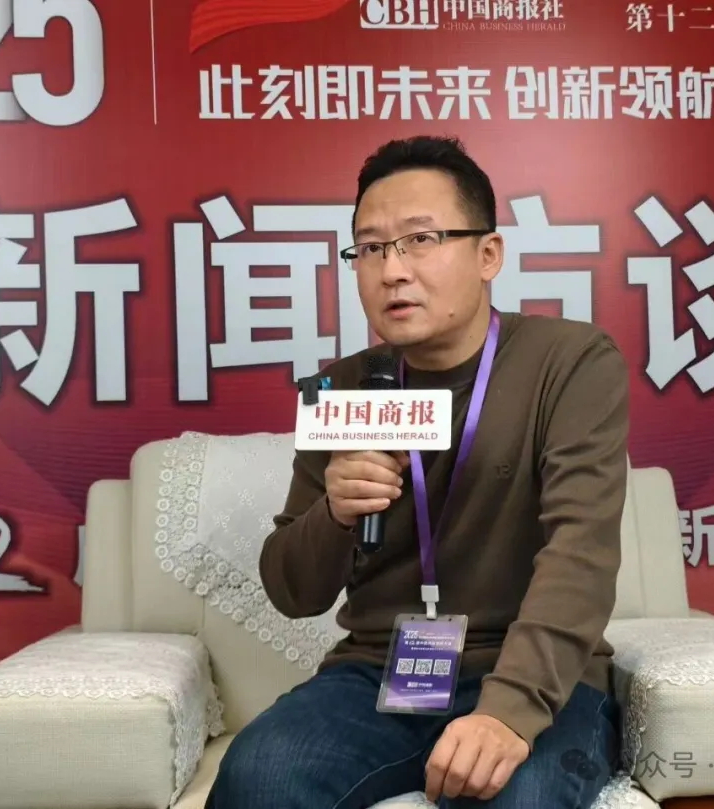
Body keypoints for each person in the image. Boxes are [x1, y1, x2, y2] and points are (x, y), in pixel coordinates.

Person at [206, 135, 629, 808]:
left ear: (488, 255)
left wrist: (508, 712)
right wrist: (334, 513)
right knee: (259, 775)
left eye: (420, 240)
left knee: (522, 799)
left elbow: (580, 550)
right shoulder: (344, 387)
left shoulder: (571, 361)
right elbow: (292, 589)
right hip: (382, 672)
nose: (392, 270)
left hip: (536, 674)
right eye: (370, 249)